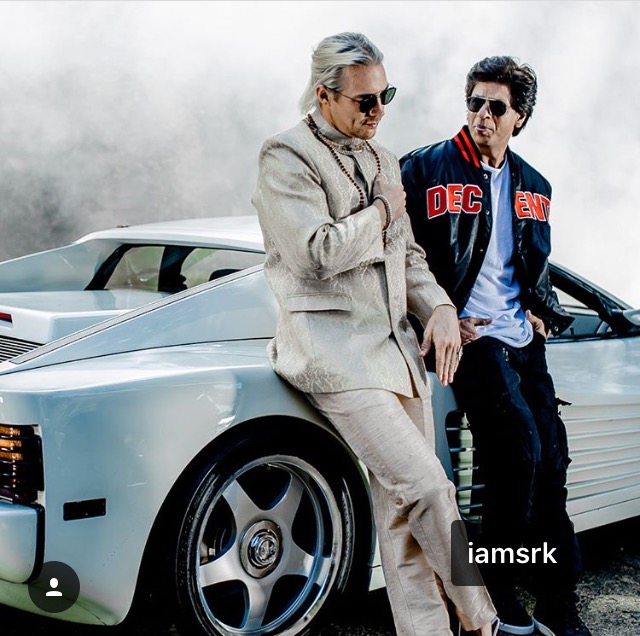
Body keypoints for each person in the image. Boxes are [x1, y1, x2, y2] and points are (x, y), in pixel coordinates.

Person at [252, 32, 498, 636]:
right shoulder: (285, 156)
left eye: (386, 95)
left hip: (397, 354)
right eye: (365, 100)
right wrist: (384, 210)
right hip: (334, 356)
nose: (379, 110)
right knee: (430, 488)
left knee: (401, 515)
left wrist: (439, 307)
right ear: (324, 95)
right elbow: (314, 253)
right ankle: (482, 619)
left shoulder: (384, 159)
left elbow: (407, 257)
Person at [400, 56, 591, 636]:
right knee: (517, 451)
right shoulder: (425, 168)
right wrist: (438, 314)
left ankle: (557, 601)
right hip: (467, 338)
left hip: (520, 340)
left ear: (519, 118)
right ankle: (494, 595)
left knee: (551, 463)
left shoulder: (535, 185)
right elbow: (401, 257)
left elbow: (532, 264)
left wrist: (542, 311)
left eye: (496, 107)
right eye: (475, 102)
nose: (482, 114)